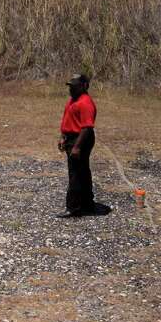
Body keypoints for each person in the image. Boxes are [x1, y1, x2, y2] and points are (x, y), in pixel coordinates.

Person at [57, 74, 97, 218]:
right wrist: (63, 137)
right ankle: (87, 203)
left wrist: (77, 147)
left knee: (75, 174)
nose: (71, 89)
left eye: (74, 86)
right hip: (72, 138)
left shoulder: (85, 103)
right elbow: (68, 120)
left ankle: (73, 207)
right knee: (82, 171)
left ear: (84, 86)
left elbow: (86, 128)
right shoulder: (73, 100)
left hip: (81, 139)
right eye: (70, 86)